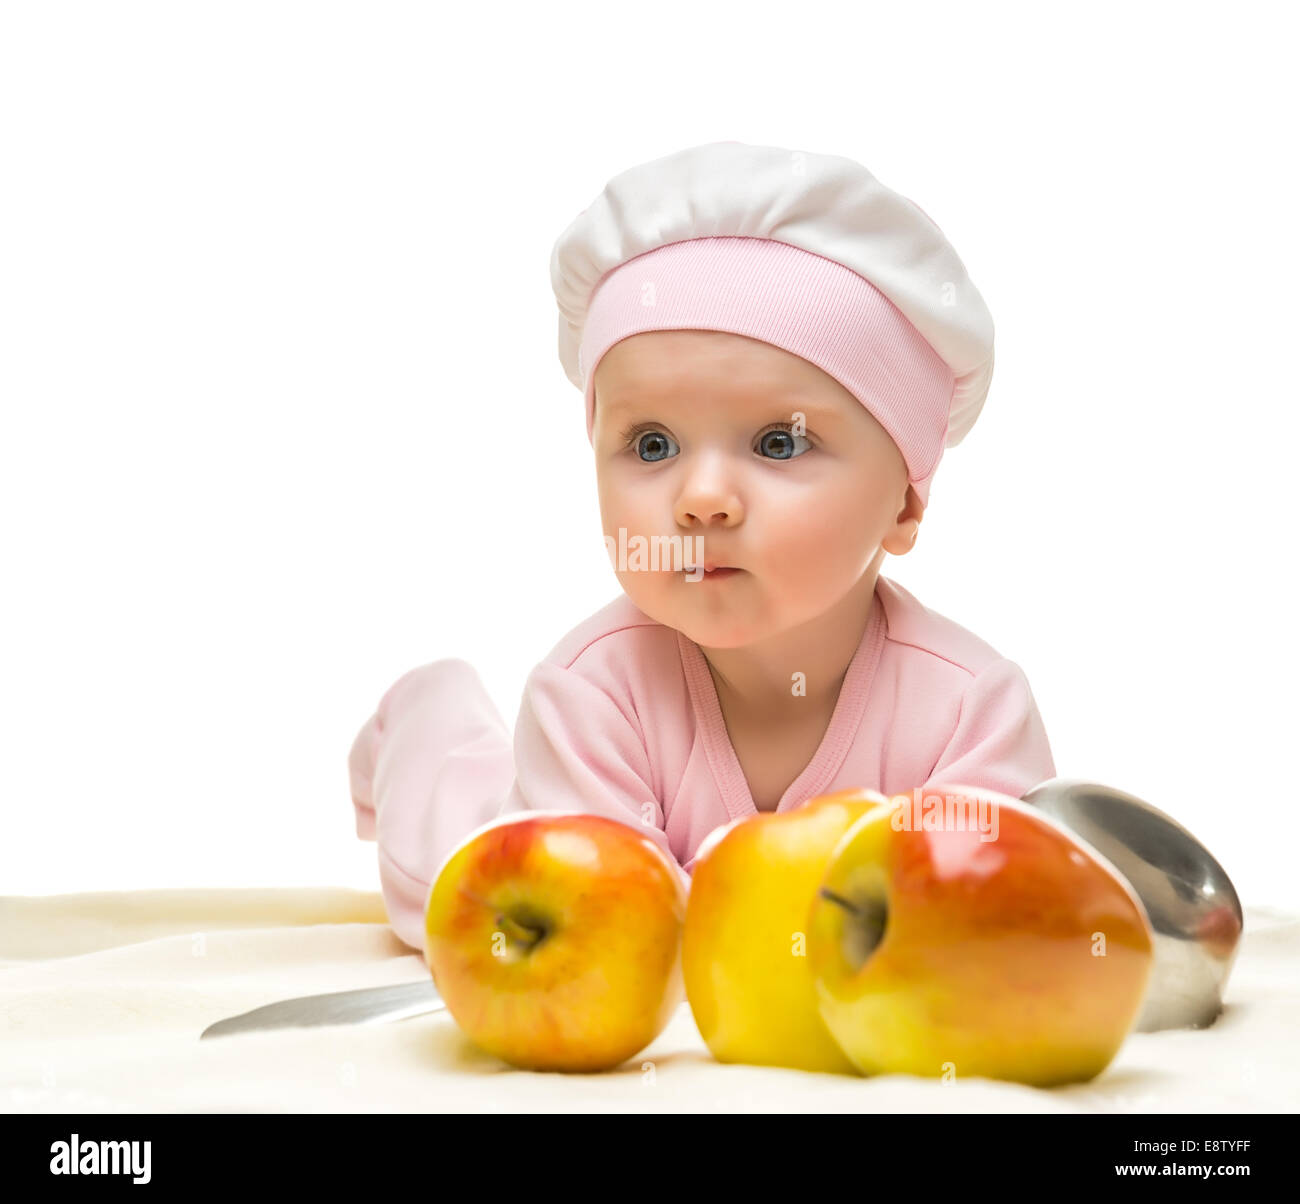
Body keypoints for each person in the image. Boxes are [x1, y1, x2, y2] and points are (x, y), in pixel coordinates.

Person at [348, 141, 1056, 955]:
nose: (702, 498)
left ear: (905, 500)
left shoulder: (971, 711)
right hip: (501, 836)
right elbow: (621, 942)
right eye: (651, 446)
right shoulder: (589, 696)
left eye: (778, 444)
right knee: (437, 856)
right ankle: (425, 710)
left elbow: (996, 915)